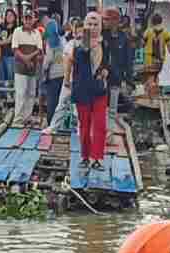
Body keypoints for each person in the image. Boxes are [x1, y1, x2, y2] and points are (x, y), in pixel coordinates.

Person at [65, 12, 109, 170]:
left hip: (99, 90)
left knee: (100, 125)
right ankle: (85, 156)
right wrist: (67, 81)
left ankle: (97, 158)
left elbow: (110, 63)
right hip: (82, 89)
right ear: (84, 25)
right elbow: (71, 62)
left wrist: (106, 71)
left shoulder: (106, 43)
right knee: (84, 125)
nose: (92, 27)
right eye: (89, 23)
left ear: (101, 26)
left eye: (95, 23)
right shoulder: (78, 44)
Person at [11, 9, 43, 123]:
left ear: (34, 20)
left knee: (31, 93)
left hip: (32, 67)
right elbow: (15, 49)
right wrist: (26, 59)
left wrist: (29, 58)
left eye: (30, 18)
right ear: (23, 19)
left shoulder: (37, 33)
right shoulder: (17, 31)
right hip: (20, 67)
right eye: (26, 18)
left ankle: (27, 117)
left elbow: (39, 50)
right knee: (20, 93)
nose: (28, 21)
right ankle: (18, 118)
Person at [103, 8, 131, 123]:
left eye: (106, 19)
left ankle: (111, 130)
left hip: (116, 78)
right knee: (101, 107)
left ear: (114, 20)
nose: (104, 21)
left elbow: (128, 60)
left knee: (113, 109)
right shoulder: (100, 34)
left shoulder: (123, 37)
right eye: (104, 19)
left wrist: (128, 79)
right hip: (101, 78)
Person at [40, 18, 66, 128]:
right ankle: (60, 123)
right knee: (61, 101)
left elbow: (48, 60)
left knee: (52, 101)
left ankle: (51, 123)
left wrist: (43, 69)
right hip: (64, 73)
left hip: (53, 75)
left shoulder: (50, 43)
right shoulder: (63, 40)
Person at [142, 12, 170, 99]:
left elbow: (142, 44)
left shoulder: (148, 32)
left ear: (152, 21)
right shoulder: (166, 33)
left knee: (150, 77)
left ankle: (151, 97)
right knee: (156, 76)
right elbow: (169, 47)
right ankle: (155, 95)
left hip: (149, 59)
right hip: (160, 60)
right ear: (161, 21)